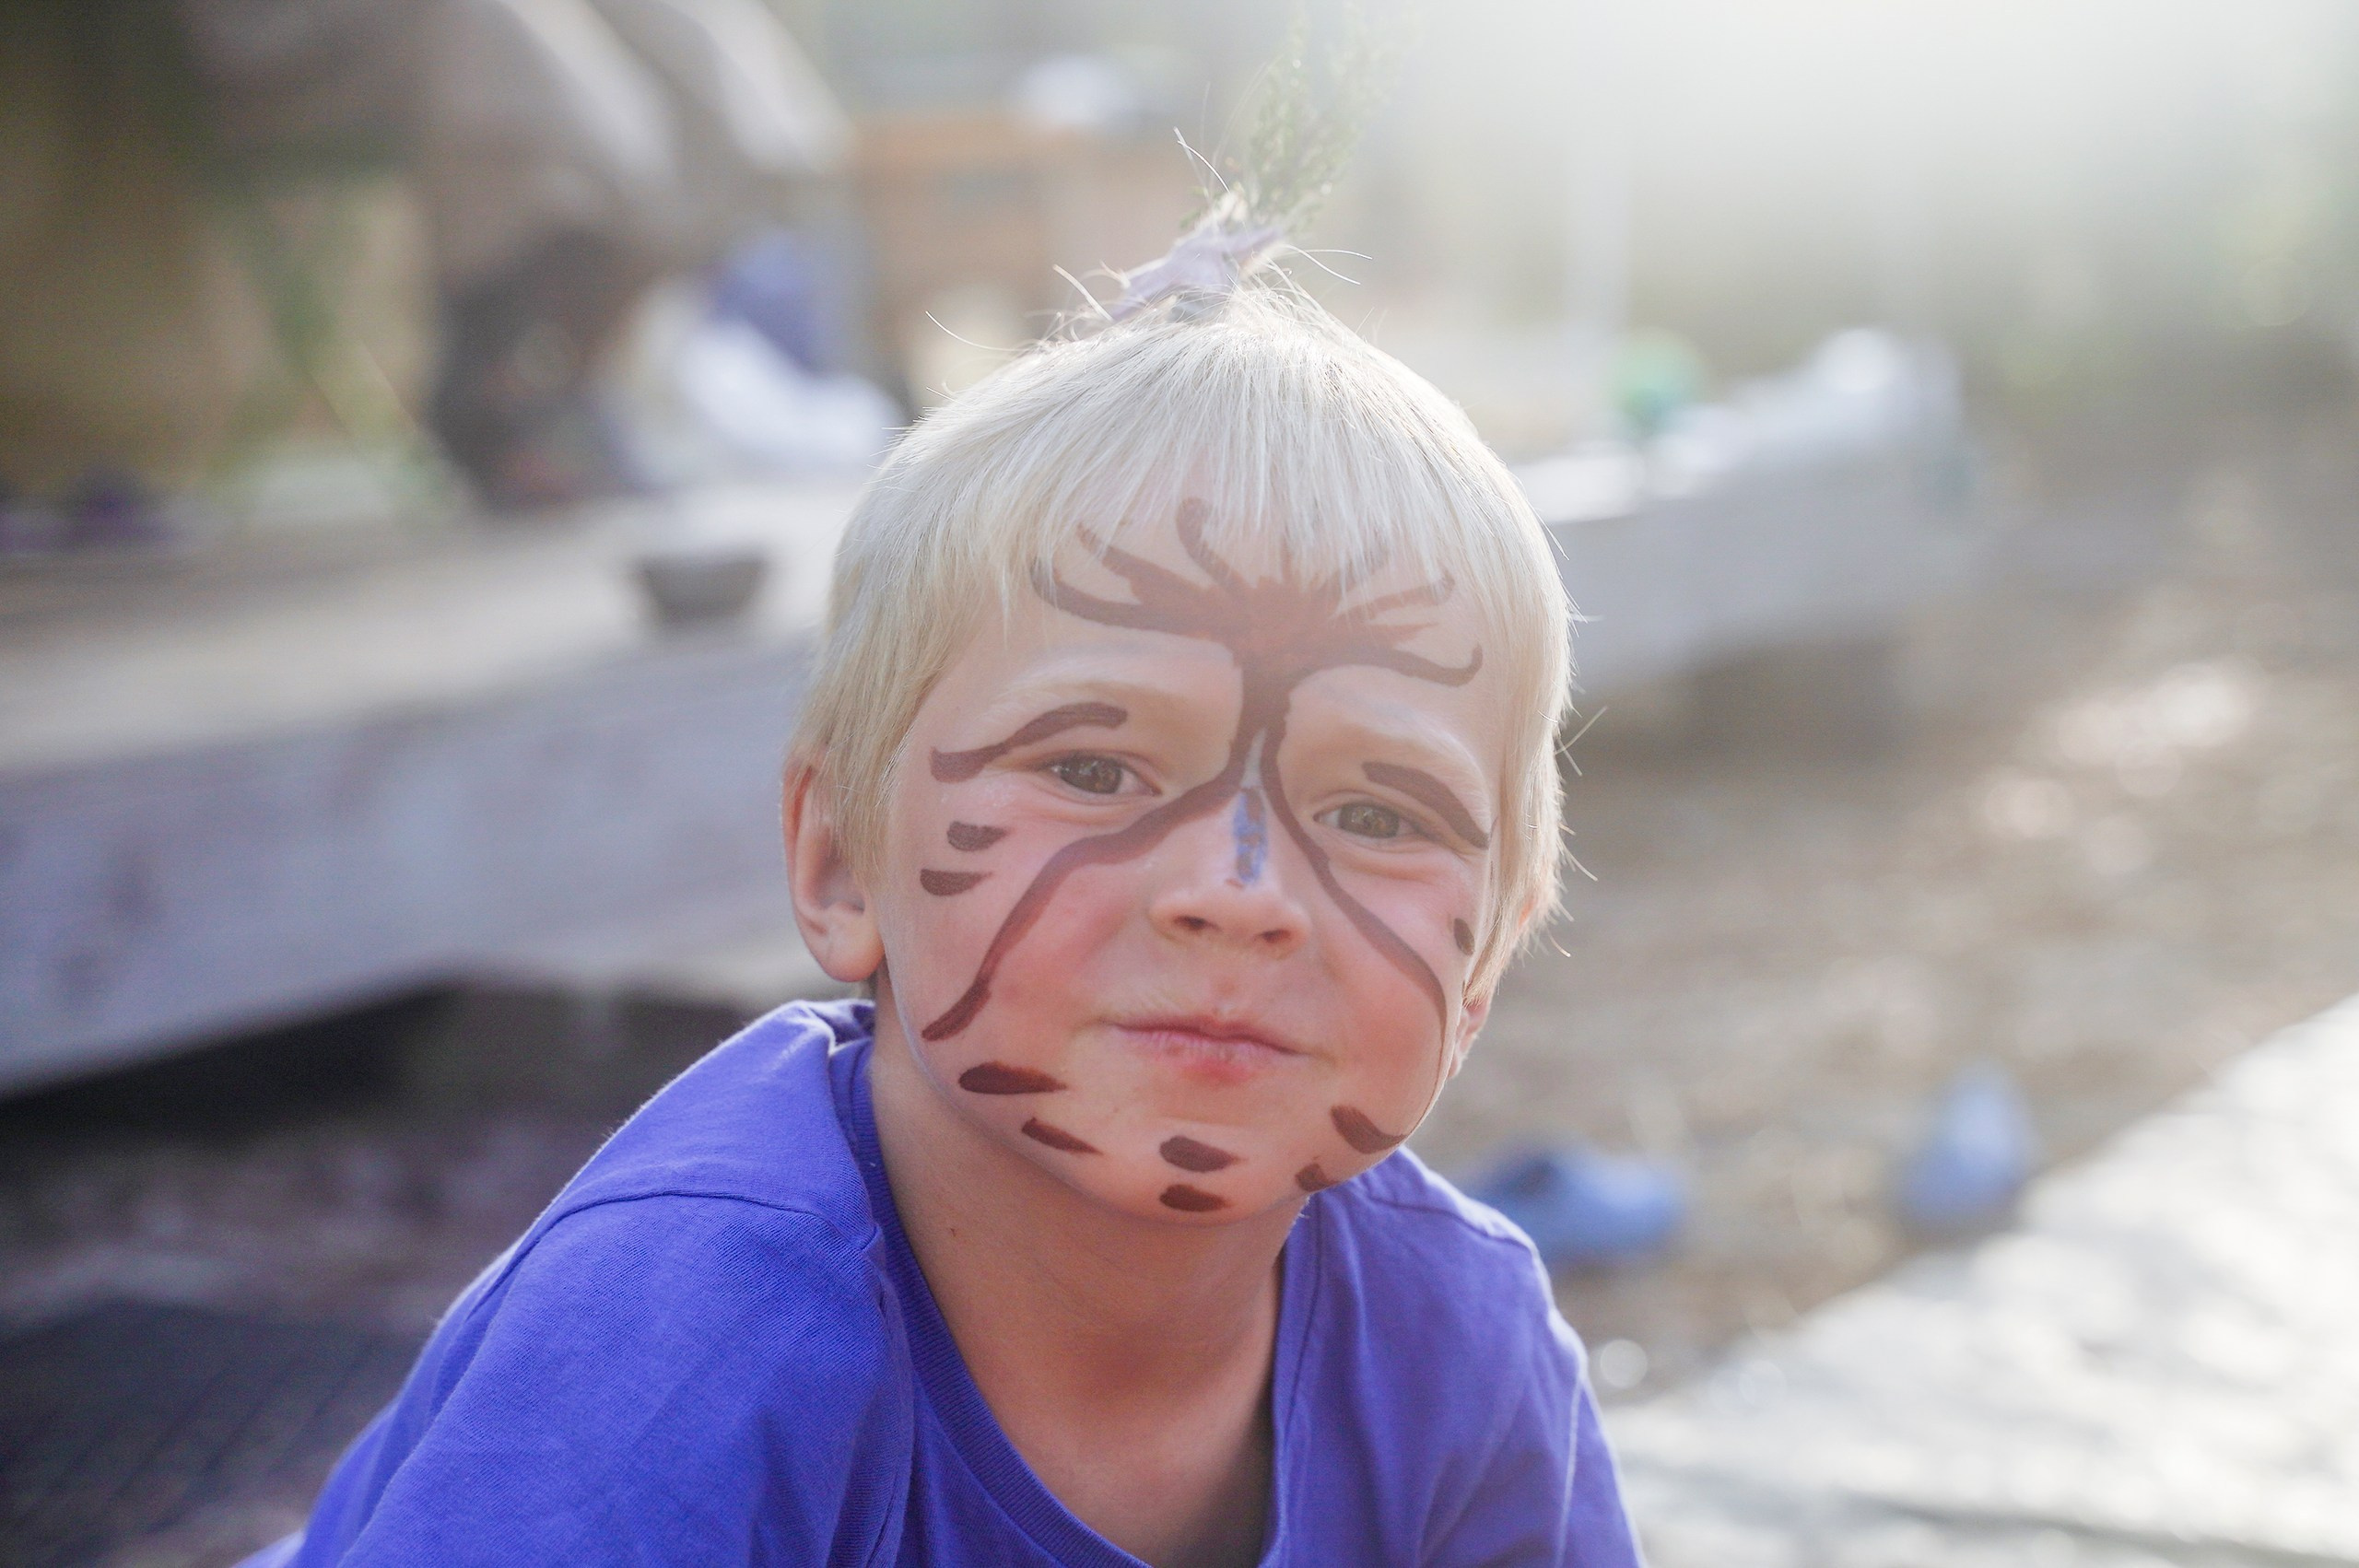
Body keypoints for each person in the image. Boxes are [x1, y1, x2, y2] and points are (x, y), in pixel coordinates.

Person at [254, 228, 1645, 1565]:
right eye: (1093, 767)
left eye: (1378, 814)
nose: (1239, 893)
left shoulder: (1465, 1351)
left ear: (1488, 954)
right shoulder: (678, 1340)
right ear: (840, 862)